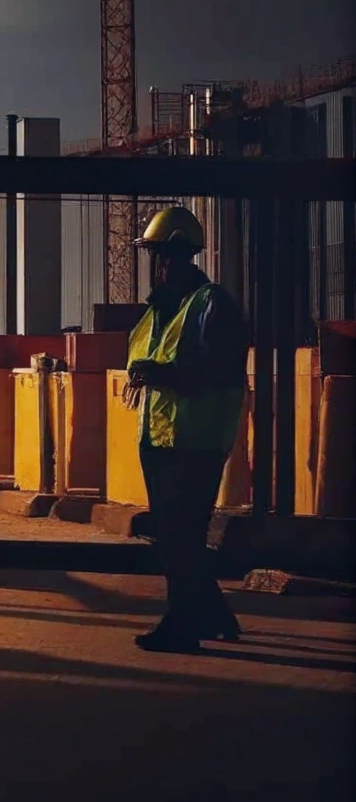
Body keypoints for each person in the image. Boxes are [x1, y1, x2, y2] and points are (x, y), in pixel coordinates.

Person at [123, 205, 247, 653]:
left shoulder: (212, 304)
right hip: (159, 439)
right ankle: (214, 615)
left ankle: (182, 626)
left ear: (183, 256)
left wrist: (160, 373)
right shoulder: (160, 308)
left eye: (164, 255)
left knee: (182, 538)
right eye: (154, 256)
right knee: (174, 537)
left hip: (197, 441)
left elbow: (217, 370)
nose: (158, 265)